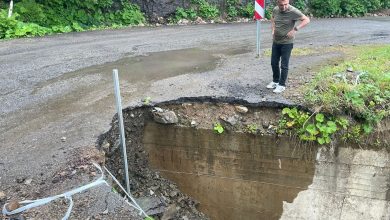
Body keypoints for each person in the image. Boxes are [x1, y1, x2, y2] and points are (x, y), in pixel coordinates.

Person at [266, 0, 310, 93]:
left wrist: (295, 29)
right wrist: (273, 29)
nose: (284, 7)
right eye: (282, 5)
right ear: (278, 3)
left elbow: (306, 20)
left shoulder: (293, 11)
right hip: (276, 41)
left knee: (284, 65)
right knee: (274, 62)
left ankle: (282, 85)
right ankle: (275, 81)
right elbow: (273, 18)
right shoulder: (275, 9)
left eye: (286, 4)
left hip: (287, 43)